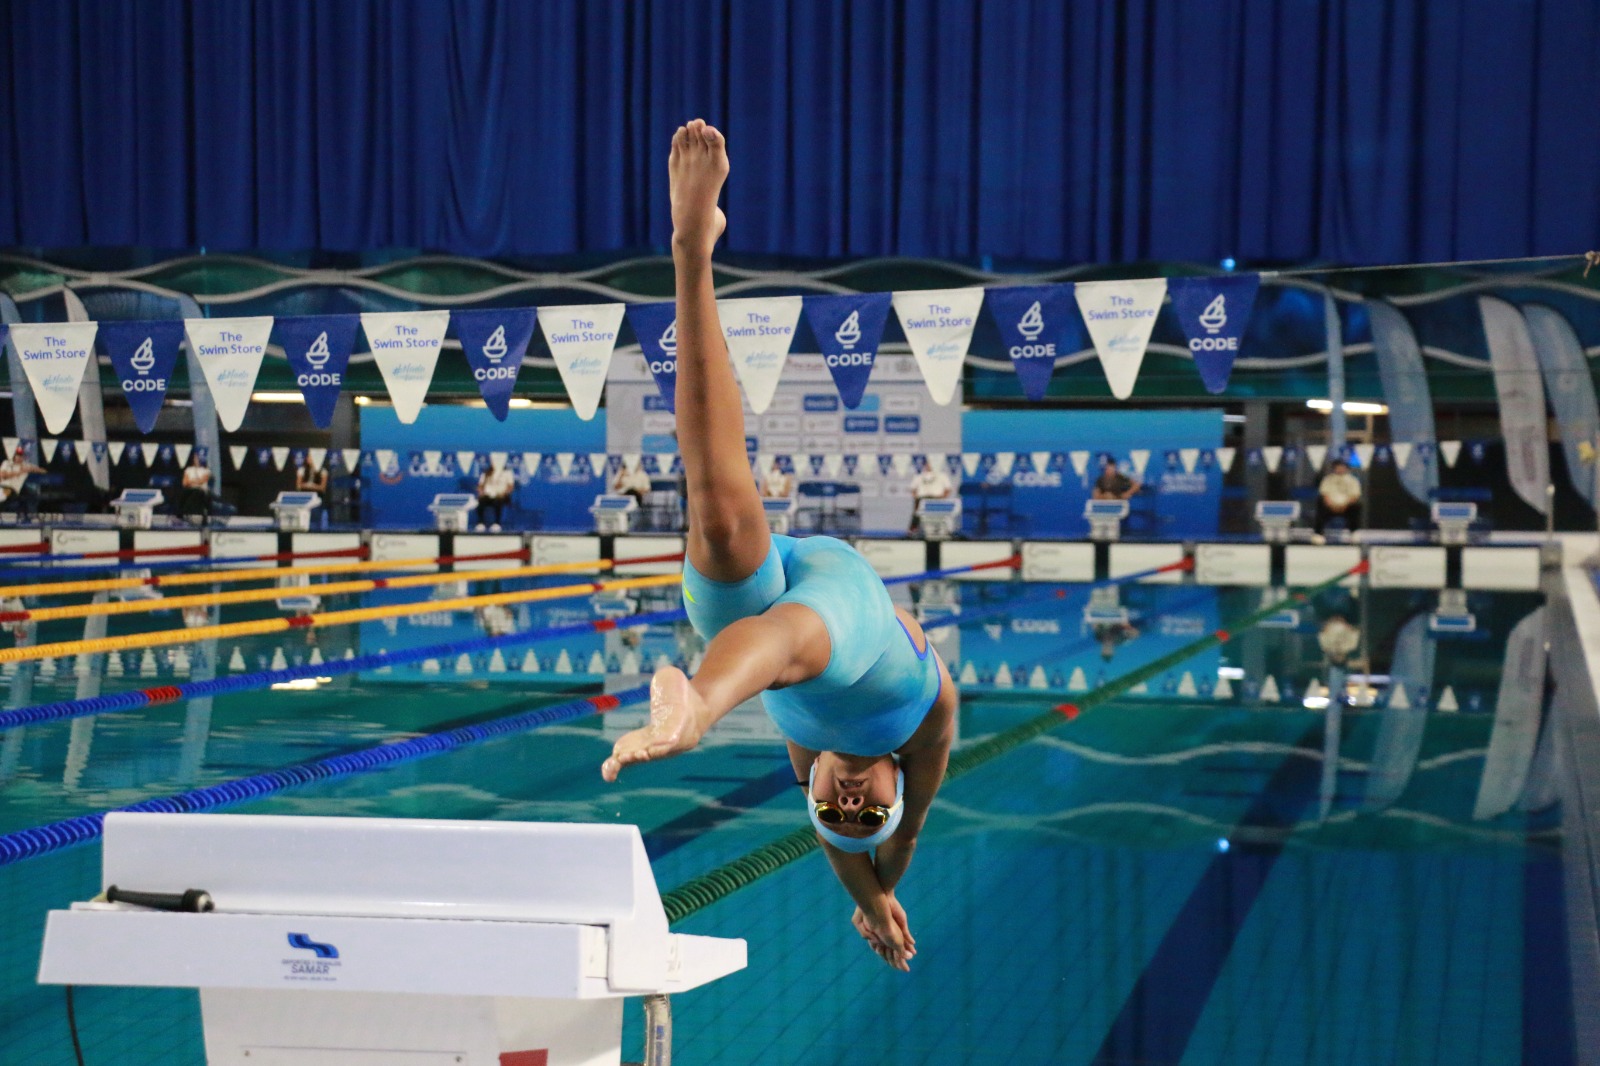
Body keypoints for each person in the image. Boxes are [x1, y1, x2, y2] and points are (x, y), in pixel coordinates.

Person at [602, 120, 954, 973]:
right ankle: (699, 708)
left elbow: (840, 839)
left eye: (836, 809)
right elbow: (894, 841)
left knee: (717, 514)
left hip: (771, 620)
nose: (850, 801)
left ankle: (692, 253)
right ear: (895, 788)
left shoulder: (810, 767)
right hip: (848, 614)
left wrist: (862, 892)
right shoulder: (923, 729)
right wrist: (882, 890)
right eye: (870, 808)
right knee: (796, 646)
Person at [1314, 458, 1362, 537]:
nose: (1340, 469)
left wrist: (1344, 506)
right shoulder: (1327, 479)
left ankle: (1354, 533)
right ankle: (1318, 534)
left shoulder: (1353, 480)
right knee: (1320, 504)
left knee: (1356, 506)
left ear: (1346, 468)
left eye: (1342, 467)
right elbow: (1324, 494)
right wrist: (1331, 505)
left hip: (1346, 507)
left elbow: (1355, 496)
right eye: (1338, 467)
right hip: (1330, 506)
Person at [906, 458, 952, 534]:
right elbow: (913, 489)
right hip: (922, 499)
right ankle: (913, 529)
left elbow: (948, 489)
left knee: (940, 514)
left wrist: (943, 498)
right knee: (917, 510)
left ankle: (943, 529)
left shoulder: (942, 476)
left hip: (937, 499)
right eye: (928, 465)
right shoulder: (919, 476)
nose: (929, 466)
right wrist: (916, 496)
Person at [0, 447, 44, 514]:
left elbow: (43, 471)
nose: (19, 457)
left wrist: (33, 469)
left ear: (24, 457)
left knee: (32, 495)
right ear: (14, 456)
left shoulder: (26, 465)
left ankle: (30, 515)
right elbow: (2, 475)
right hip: (3, 486)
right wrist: (19, 472)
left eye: (21, 456)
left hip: (14, 489)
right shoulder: (7, 463)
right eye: (17, 455)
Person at [475, 457, 514, 531]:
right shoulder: (486, 473)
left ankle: (497, 523)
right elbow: (480, 486)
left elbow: (510, 487)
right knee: (481, 501)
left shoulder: (507, 473)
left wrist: (504, 493)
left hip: (501, 495)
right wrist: (481, 492)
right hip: (488, 495)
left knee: (498, 501)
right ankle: (480, 523)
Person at [178, 451, 211, 522]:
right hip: (190, 488)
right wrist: (194, 481)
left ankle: (203, 514)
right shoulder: (188, 470)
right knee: (183, 492)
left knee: (198, 492)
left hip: (201, 489)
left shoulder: (206, 470)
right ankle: (180, 513)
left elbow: (202, 481)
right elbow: (185, 482)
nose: (196, 460)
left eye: (198, 458)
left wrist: (191, 481)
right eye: (195, 458)